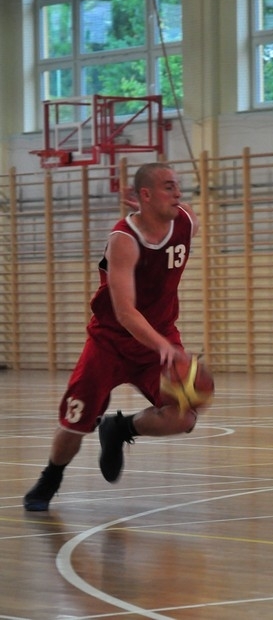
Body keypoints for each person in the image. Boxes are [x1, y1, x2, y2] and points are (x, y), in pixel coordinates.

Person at [24, 162, 203, 511]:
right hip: (110, 342)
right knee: (75, 422)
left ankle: (119, 429)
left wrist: (162, 343)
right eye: (168, 187)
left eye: (177, 186)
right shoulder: (124, 240)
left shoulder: (184, 219)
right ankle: (51, 477)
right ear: (146, 194)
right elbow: (125, 313)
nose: (178, 194)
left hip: (159, 337)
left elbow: (188, 221)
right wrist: (163, 346)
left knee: (184, 415)